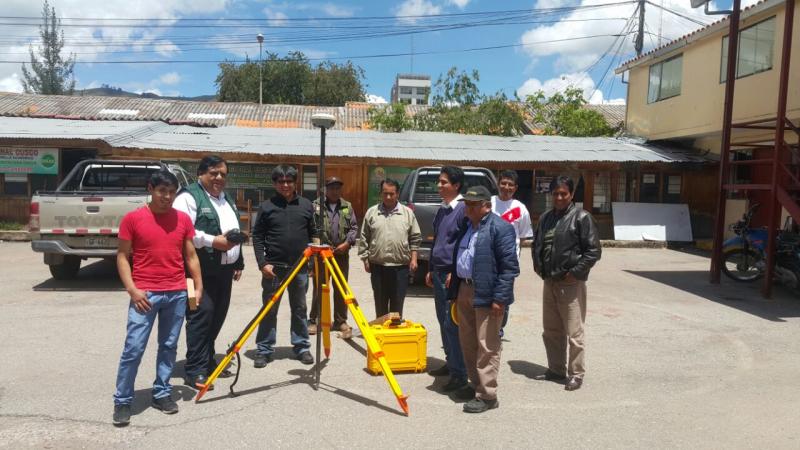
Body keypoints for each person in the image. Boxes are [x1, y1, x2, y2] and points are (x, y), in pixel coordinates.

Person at [112, 169, 203, 426]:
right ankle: (122, 400)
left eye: (172, 192)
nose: (167, 197)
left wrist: (197, 287)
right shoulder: (133, 219)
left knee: (169, 346)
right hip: (145, 294)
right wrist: (132, 290)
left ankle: (162, 392)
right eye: (162, 191)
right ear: (151, 189)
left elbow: (191, 256)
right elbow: (122, 256)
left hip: (176, 293)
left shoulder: (182, 219)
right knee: (133, 349)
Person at [173, 155, 244, 389]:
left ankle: (208, 361)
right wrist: (213, 241)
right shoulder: (188, 197)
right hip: (193, 274)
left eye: (223, 174)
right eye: (214, 173)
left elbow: (232, 232)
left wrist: (238, 261)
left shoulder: (226, 198)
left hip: (223, 271)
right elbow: (183, 231)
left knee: (216, 317)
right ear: (200, 174)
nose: (219, 178)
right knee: (198, 317)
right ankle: (194, 369)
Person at [447, 185, 518, 413]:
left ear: (486, 206)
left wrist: (500, 298)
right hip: (465, 289)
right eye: (466, 204)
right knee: (468, 342)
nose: (467, 208)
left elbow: (509, 268)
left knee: (487, 345)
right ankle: (475, 384)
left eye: (472, 204)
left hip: (487, 293)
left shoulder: (501, 228)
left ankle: (487, 395)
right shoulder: (467, 226)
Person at [532, 175, 601, 391]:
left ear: (571, 195)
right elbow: (537, 244)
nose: (559, 197)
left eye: (564, 193)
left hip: (570, 283)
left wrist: (575, 273)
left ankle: (576, 373)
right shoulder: (545, 218)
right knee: (551, 330)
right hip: (549, 281)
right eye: (556, 194)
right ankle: (556, 368)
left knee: (574, 332)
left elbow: (593, 251)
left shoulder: (582, 217)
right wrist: (538, 266)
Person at [252, 165, 317, 367]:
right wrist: (262, 263)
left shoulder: (306, 205)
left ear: (295, 182)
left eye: (289, 181)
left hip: (300, 268)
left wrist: (312, 262)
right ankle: (264, 349)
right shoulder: (266, 206)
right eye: (281, 181)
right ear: (275, 184)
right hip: (274, 269)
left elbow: (313, 234)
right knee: (269, 309)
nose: (285, 185)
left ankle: (301, 347)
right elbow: (257, 237)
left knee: (299, 308)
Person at [425, 166, 468, 393]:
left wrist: (454, 272)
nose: (439, 186)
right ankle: (451, 363)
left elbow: (463, 244)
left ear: (456, 185)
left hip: (451, 276)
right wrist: (431, 268)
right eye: (439, 182)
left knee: (452, 324)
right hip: (438, 273)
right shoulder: (442, 210)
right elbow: (437, 241)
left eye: (444, 182)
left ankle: (460, 374)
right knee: (443, 321)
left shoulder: (462, 210)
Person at [358, 178, 421, 318]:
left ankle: (394, 331)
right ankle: (381, 331)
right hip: (378, 267)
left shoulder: (407, 213)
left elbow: (415, 238)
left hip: (400, 268)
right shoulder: (372, 213)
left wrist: (414, 259)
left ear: (397, 194)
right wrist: (365, 259)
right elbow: (364, 237)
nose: (388, 197)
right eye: (385, 193)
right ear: (381, 193)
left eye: (391, 194)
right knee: (380, 305)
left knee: (397, 308)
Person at [308, 176, 358, 340]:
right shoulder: (316, 206)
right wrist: (319, 246)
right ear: (325, 189)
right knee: (320, 288)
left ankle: (340, 321)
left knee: (340, 288)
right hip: (322, 255)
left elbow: (354, 228)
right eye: (331, 188)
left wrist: (347, 243)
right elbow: (311, 228)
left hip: (341, 255)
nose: (335, 191)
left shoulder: (347, 206)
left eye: (337, 188)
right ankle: (315, 320)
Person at [490, 169, 533, 337]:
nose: (506, 187)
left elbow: (522, 237)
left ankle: (499, 328)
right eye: (503, 183)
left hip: (507, 261)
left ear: (515, 188)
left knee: (504, 295)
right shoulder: (489, 202)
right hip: (487, 257)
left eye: (510, 184)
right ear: (498, 184)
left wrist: (512, 254)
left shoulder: (520, 209)